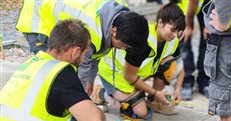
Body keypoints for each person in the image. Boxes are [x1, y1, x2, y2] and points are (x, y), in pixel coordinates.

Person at [16, 0, 149, 95]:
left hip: (58, 13)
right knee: (50, 68)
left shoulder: (115, 18)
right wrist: (80, 95)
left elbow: (96, 56)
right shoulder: (91, 31)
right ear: (114, 31)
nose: (123, 49)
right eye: (124, 45)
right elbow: (83, 65)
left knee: (64, 74)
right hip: (38, 16)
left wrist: (90, 81)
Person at [95, 2, 185, 121]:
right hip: (116, 74)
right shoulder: (142, 41)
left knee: (170, 64)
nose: (175, 35)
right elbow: (129, 76)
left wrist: (178, 89)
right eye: (172, 29)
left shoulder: (172, 41)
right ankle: (101, 93)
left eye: (178, 31)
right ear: (160, 23)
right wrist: (155, 92)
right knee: (141, 114)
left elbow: (179, 67)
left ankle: (153, 101)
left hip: (135, 73)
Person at [178, 0, 210, 100]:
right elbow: (193, 2)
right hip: (184, 5)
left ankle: (204, 81)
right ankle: (187, 81)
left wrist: (209, 24)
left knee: (208, 39)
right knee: (184, 39)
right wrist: (187, 26)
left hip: (207, 3)